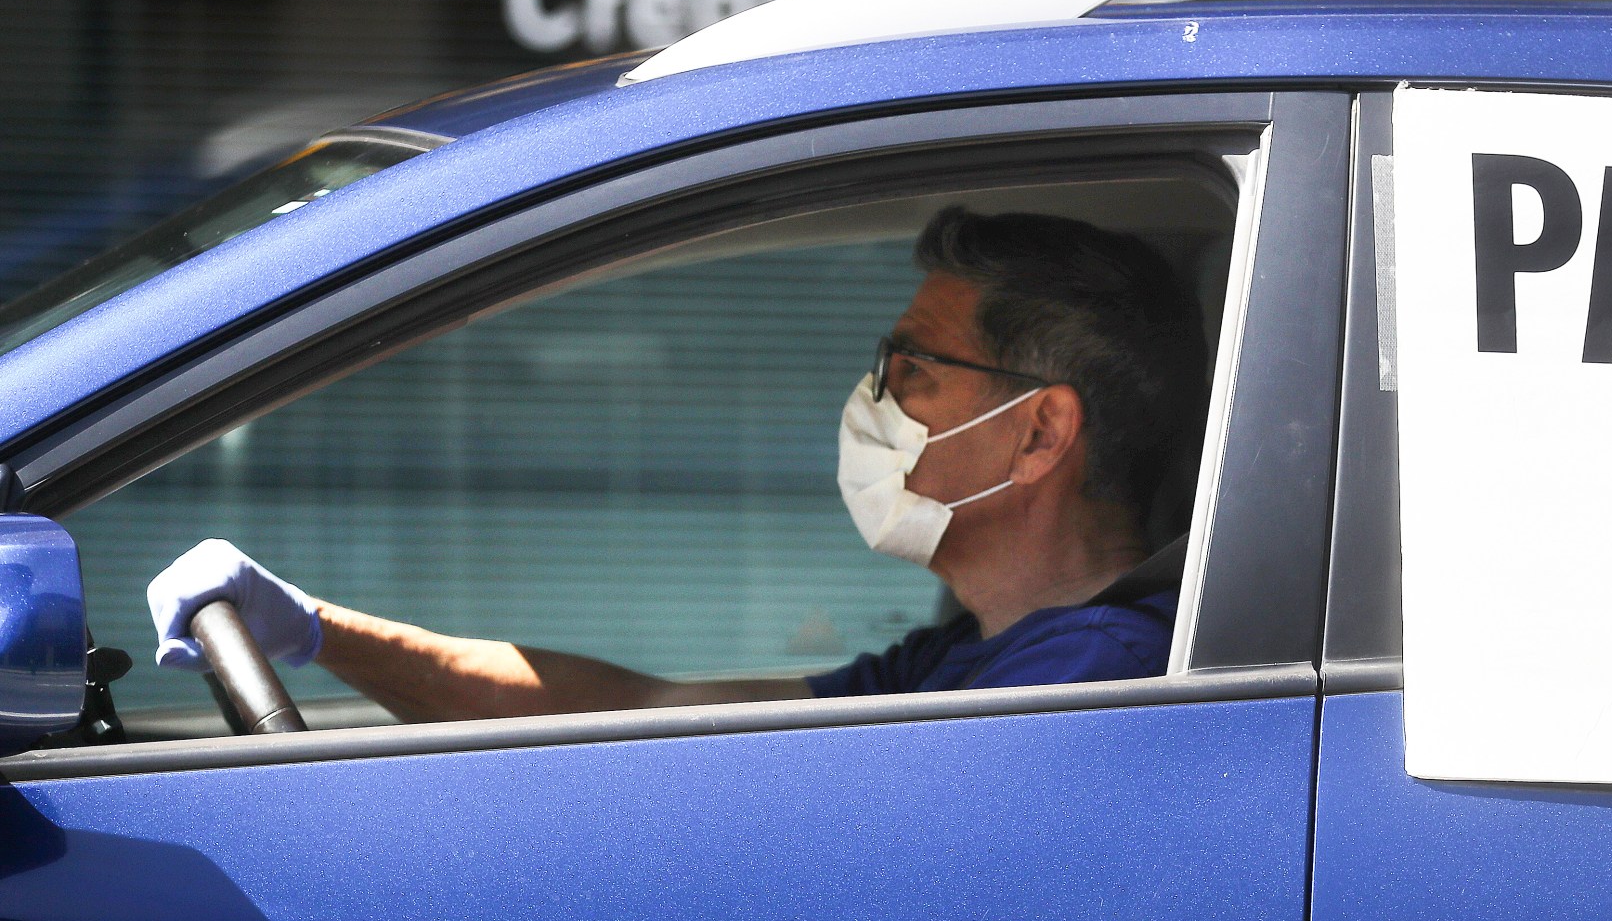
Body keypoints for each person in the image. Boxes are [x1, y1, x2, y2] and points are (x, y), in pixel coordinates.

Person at [142, 207, 1210, 725]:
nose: (874, 396)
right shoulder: (962, 666)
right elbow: (649, 705)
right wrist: (324, 632)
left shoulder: (1078, 682)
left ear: (1038, 435)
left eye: (911, 367)